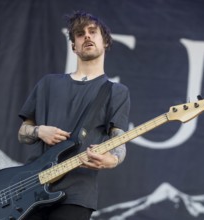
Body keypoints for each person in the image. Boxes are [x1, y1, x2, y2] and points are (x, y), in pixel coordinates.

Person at [18, 11, 130, 220]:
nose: (86, 36)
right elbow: (22, 133)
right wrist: (39, 130)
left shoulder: (116, 91)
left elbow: (119, 139)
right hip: (30, 188)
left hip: (77, 193)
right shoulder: (47, 84)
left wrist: (112, 160)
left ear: (105, 41)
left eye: (92, 32)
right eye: (79, 34)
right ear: (73, 46)